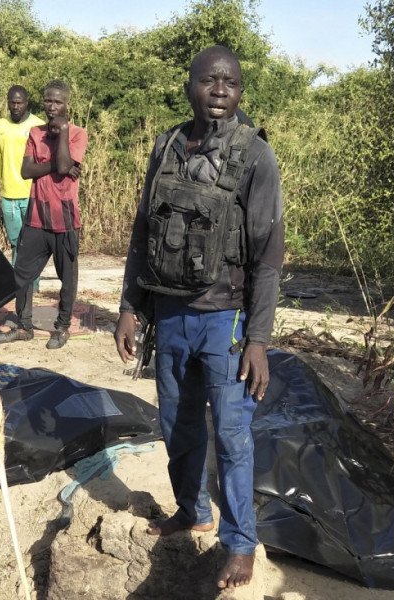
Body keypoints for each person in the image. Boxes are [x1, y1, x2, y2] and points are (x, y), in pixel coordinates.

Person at [114, 46, 284, 589]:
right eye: (209, 80)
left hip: (225, 320)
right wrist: (129, 308)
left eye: (230, 82)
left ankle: (240, 543)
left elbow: (268, 257)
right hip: (169, 315)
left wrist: (258, 339)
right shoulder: (166, 146)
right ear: (189, 84)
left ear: (241, 91)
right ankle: (192, 510)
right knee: (177, 424)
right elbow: (143, 231)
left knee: (231, 433)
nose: (219, 90)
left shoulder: (255, 156)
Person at [0, 79, 87, 350]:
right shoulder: (36, 133)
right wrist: (57, 165)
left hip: (65, 219)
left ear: (67, 104)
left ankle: (62, 327)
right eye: (48, 101)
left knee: (67, 279)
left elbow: (65, 164)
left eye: (58, 102)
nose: (52, 106)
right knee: (22, 275)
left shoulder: (77, 134)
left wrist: (63, 133)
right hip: (36, 217)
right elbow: (27, 171)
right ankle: (24, 327)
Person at [0, 85, 46, 285]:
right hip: (8, 194)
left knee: (31, 242)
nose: (15, 106)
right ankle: (18, 285)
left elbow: (43, 161)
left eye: (19, 103)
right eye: (12, 102)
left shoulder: (38, 126)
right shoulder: (0, 126)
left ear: (26, 103)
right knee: (15, 242)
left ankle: (31, 285)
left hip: (32, 193)